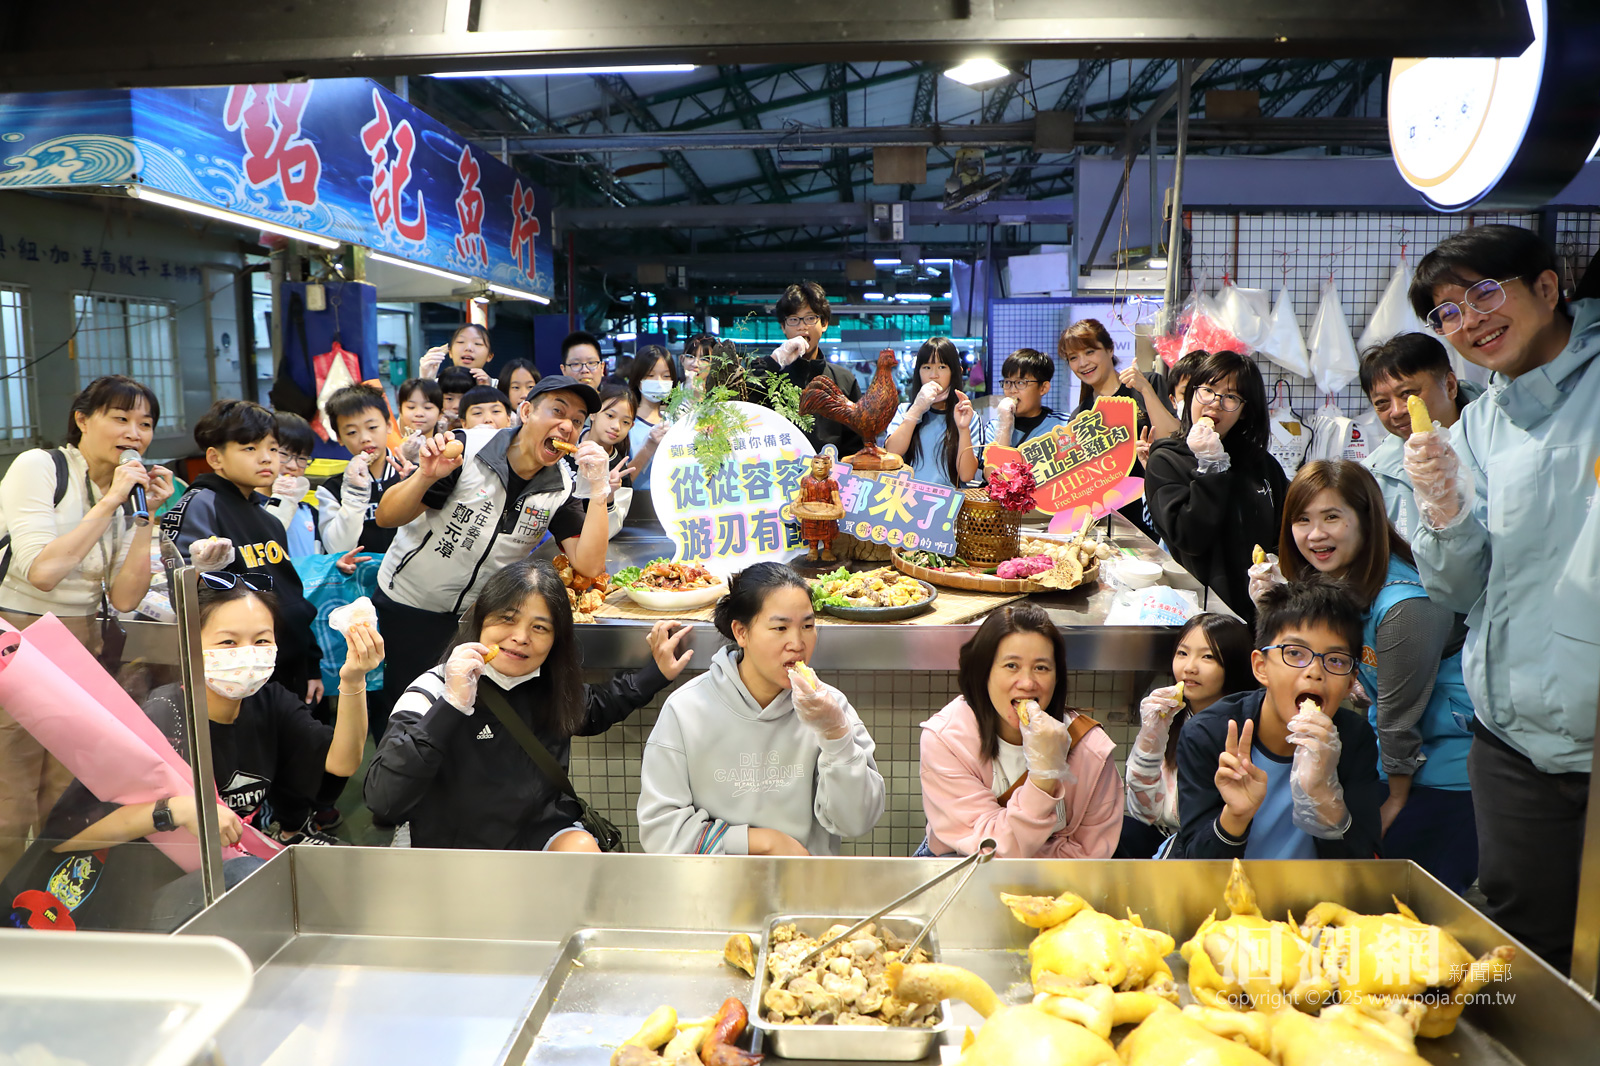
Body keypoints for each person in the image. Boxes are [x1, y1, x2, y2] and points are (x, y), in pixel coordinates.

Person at [1402, 224, 1600, 973]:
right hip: (1511, 740)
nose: (1470, 320)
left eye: (1485, 292)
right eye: (1448, 311)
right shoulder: (1480, 424)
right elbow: (1457, 589)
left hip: (1592, 727)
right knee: (1527, 952)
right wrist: (1444, 512)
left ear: (1548, 288)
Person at [0, 574, 382, 927]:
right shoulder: (160, 716)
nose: (248, 654)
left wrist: (353, 680)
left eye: (262, 641)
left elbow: (342, 762)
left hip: (210, 878)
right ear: (190, 645)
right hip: (131, 900)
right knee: (251, 880)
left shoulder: (270, 702)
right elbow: (69, 838)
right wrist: (176, 811)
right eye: (228, 642)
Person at [365, 560, 691, 850]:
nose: (521, 637)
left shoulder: (547, 684)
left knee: (582, 851)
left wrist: (656, 673)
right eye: (507, 619)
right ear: (480, 620)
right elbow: (384, 799)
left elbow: (596, 709)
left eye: (540, 627)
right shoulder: (432, 690)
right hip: (456, 848)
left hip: (539, 834)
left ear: (556, 640)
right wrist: (451, 704)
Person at [1269, 459, 1476, 892]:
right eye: (1302, 520)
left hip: (1447, 772)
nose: (1315, 534)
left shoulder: (1405, 606)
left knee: (1407, 903)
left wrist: (1394, 799)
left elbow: (1399, 716)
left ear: (1366, 519)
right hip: (1396, 760)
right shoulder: (1343, 582)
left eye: (1331, 517)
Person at [0, 376, 176, 878]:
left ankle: (52, 900)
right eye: (120, 419)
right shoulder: (40, 467)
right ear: (82, 420)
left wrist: (146, 518)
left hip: (83, 643)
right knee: (10, 797)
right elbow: (42, 572)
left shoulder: (125, 493)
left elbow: (124, 597)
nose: (134, 433)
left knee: (66, 792)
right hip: (18, 638)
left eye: (145, 424)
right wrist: (109, 501)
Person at [372, 376, 613, 718]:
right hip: (408, 605)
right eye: (557, 412)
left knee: (458, 717)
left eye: (577, 421)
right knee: (403, 714)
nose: (567, 427)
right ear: (526, 412)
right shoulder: (467, 449)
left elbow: (589, 565)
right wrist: (425, 475)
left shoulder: (561, 487)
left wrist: (599, 489)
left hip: (473, 622)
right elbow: (386, 517)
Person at [638, 563, 884, 856]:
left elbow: (856, 822)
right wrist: (765, 843)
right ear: (741, 632)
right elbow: (661, 832)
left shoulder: (831, 708)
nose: (797, 643)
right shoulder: (686, 710)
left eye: (807, 626)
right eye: (780, 628)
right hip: (715, 880)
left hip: (806, 880)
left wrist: (836, 737)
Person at [1172, 578, 1384, 860]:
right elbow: (1196, 864)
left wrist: (1324, 797)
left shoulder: (1354, 740)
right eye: (1295, 653)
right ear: (1261, 667)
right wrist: (1235, 816)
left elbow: (1364, 866)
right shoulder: (1209, 734)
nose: (1314, 671)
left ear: (1349, 683)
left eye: (1335, 660)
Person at [917, 604, 1123, 859]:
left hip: (1056, 880)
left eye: (1041, 668)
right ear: (984, 673)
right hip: (961, 867)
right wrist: (1043, 778)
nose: (1027, 683)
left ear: (1057, 678)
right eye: (1012, 665)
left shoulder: (1092, 751)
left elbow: (1090, 855)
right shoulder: (946, 739)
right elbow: (989, 850)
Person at [163, 400, 322, 704]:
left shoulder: (267, 517)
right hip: (238, 675)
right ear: (215, 457)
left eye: (273, 448)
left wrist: (309, 662)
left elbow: (291, 597)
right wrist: (202, 571)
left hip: (287, 665)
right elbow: (180, 594)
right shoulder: (200, 504)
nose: (266, 458)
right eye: (250, 448)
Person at [1145, 349, 1289, 622]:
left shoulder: (1263, 464)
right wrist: (1210, 467)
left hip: (1262, 614)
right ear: (1192, 394)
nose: (1215, 403)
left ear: (1245, 410)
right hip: (1199, 617)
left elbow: (1283, 533)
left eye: (1231, 396)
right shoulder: (1166, 460)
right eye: (1208, 390)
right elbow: (1189, 537)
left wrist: (1277, 573)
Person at [1118, 613, 1254, 858]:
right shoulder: (1171, 717)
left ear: (1234, 664)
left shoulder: (1245, 728)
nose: (1189, 667)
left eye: (1207, 656)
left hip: (1221, 846)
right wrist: (1151, 736)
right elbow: (1144, 813)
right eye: (1182, 653)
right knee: (1120, 830)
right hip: (1168, 841)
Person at [1358, 333, 1483, 541]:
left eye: (1407, 394)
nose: (1396, 411)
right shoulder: (1374, 477)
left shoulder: (1497, 438)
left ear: (1450, 386)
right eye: (1381, 403)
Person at [1062, 319, 1176, 538]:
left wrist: (1145, 390)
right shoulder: (1080, 416)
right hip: (1107, 528)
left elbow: (1174, 437)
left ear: (1110, 349)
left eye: (1089, 352)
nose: (1083, 363)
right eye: (1073, 357)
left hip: (1159, 513)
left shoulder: (1147, 383)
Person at [756, 282, 863, 457]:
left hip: (832, 471)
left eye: (810, 318)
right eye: (793, 319)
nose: (802, 326)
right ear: (783, 327)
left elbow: (856, 443)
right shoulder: (769, 375)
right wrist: (775, 361)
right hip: (779, 471)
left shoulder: (844, 379)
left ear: (824, 323)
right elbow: (740, 401)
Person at [318, 384, 410, 556]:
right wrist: (354, 495)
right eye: (352, 432)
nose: (365, 438)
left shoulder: (410, 475)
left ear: (388, 426)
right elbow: (337, 549)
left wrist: (415, 483)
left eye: (372, 427)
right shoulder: (331, 490)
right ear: (339, 438)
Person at [882, 338, 979, 490]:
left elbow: (966, 475)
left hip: (950, 501)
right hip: (908, 498)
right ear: (918, 373)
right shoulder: (904, 410)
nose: (934, 375)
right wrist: (916, 410)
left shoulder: (968, 415)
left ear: (954, 372)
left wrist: (963, 428)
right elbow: (892, 453)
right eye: (926, 367)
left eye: (942, 367)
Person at [972, 347, 1070, 463]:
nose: (1012, 390)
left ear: (1043, 388)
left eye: (1021, 383)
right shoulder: (994, 428)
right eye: (1007, 382)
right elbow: (993, 473)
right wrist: (1005, 425)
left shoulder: (1064, 425)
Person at [573, 382, 638, 537]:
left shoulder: (619, 472)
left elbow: (609, 532)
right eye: (610, 416)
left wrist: (608, 495)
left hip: (583, 542)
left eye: (625, 422)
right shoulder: (567, 442)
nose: (616, 426)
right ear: (593, 413)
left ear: (631, 426)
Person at [626, 344, 682, 493]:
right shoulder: (626, 422)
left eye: (666, 376)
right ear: (638, 378)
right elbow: (621, 481)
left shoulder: (676, 420)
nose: (659, 381)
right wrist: (648, 448)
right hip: (639, 502)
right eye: (650, 375)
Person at [265, 411, 321, 558]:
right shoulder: (250, 508)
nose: (293, 466)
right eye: (284, 454)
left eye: (302, 458)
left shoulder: (309, 512)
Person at [419, 324, 493, 383]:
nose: (468, 348)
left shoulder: (497, 386)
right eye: (460, 342)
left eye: (478, 343)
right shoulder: (436, 385)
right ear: (450, 352)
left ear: (489, 356)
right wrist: (426, 379)